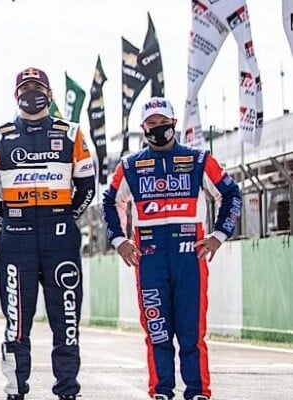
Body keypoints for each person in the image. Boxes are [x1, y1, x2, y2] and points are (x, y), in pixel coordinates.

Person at [102, 98, 240, 400]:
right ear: (143, 128)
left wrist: (219, 233)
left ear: (174, 123)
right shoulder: (130, 165)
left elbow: (231, 192)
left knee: (191, 333)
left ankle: (198, 392)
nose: (157, 128)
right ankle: (161, 392)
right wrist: (118, 239)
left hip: (191, 256)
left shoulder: (199, 159)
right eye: (151, 124)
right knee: (157, 332)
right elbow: (110, 201)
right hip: (149, 259)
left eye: (162, 121)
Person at [0, 67, 96, 400]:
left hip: (61, 239)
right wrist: (11, 220)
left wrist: (65, 216)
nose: (32, 94)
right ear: (16, 95)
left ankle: (68, 392)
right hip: (17, 241)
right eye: (26, 88)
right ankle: (16, 392)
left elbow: (87, 185)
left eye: (38, 88)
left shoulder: (71, 133)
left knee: (67, 323)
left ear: (50, 94)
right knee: (16, 325)